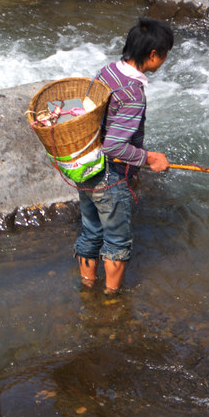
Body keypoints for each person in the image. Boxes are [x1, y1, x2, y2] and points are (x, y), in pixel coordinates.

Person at [75, 17, 174, 294]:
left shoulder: (108, 72)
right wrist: (149, 157)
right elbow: (115, 147)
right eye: (165, 55)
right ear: (152, 55)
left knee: (90, 232)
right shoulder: (133, 93)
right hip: (111, 176)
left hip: (86, 167)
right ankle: (110, 300)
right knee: (117, 242)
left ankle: (86, 288)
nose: (165, 60)